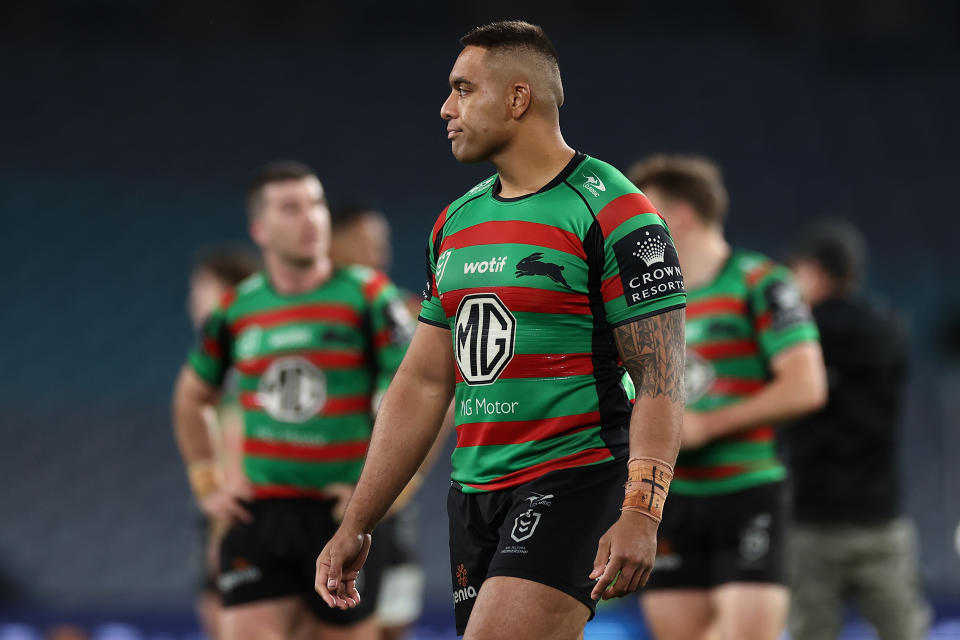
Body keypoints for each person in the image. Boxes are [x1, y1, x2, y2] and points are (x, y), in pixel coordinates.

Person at [315, 20, 687, 640]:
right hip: (474, 494)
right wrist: (359, 519)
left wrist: (641, 511)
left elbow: (662, 374)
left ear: (519, 99)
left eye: (463, 89)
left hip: (573, 476)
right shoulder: (456, 222)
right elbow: (424, 382)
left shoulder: (615, 210)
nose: (445, 108)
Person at [173, 160, 414, 640]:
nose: (311, 219)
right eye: (291, 208)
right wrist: (207, 483)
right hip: (261, 515)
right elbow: (191, 396)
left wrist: (387, 493)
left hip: (341, 516)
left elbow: (424, 394)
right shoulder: (237, 308)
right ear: (260, 229)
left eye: (316, 204)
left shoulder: (368, 297)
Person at [628, 154, 827, 640]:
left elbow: (806, 386)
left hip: (747, 492)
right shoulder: (642, 303)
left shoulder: (762, 283)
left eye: (640, 211)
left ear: (678, 216)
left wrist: (704, 426)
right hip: (669, 499)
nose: (629, 226)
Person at [783, 219, 931, 640]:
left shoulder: (798, 337)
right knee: (905, 632)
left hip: (813, 522)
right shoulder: (888, 330)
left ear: (814, 271)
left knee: (813, 632)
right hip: (880, 520)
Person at [330, 204, 427, 640]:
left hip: (379, 498)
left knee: (388, 620)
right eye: (370, 243)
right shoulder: (302, 312)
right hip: (317, 496)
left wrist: (410, 480)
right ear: (334, 241)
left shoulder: (403, 313)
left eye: (383, 244)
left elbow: (436, 400)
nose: (381, 254)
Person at [186, 246, 261, 640]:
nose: (192, 300)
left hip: (238, 506)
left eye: (201, 289)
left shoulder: (240, 350)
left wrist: (222, 528)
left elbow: (238, 432)